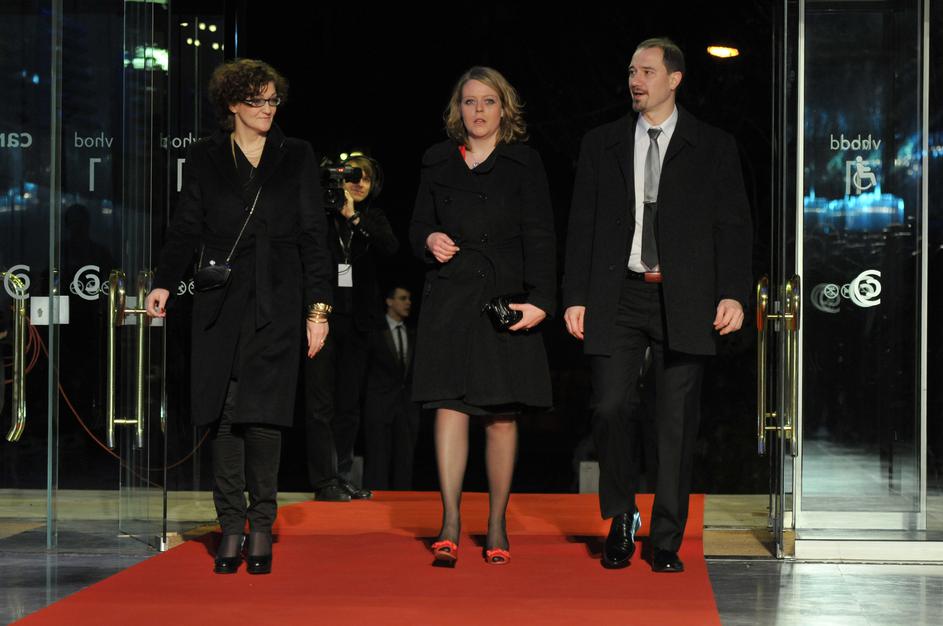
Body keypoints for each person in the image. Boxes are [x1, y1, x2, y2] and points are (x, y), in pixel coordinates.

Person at [563, 37, 752, 573]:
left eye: (647, 71)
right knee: (609, 407)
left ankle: (666, 537)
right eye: (631, 71)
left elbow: (734, 226)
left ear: (675, 79)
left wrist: (733, 292)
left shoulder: (712, 145)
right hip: (618, 292)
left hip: (685, 296)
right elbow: (581, 226)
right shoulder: (602, 142)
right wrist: (575, 296)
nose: (635, 80)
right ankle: (622, 516)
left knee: (675, 422)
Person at [144, 58, 333, 576]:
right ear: (232, 104)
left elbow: (315, 236)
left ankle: (262, 524)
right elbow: (186, 225)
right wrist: (163, 281)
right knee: (224, 413)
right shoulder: (206, 156)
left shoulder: (296, 154)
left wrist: (318, 309)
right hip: (219, 299)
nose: (268, 109)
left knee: (264, 413)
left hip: (278, 297)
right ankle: (230, 524)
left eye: (273, 100)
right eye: (257, 100)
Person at [410, 66, 556, 565]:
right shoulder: (436, 160)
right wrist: (429, 239)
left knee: (500, 414)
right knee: (448, 407)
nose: (478, 110)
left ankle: (496, 522)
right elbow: (417, 225)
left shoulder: (524, 163)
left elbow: (541, 235)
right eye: (470, 101)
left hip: (503, 298)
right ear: (458, 109)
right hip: (449, 299)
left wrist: (542, 299)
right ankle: (450, 520)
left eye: (488, 101)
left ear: (504, 109)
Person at [304, 152, 398, 502]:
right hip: (323, 318)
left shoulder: (372, 218)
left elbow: (390, 247)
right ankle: (323, 479)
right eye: (352, 176)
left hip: (358, 322)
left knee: (348, 405)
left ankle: (342, 476)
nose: (358, 183)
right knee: (320, 404)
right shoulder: (321, 216)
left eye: (366, 178)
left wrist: (354, 216)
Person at [362, 285, 419, 490]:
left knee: (405, 458)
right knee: (378, 458)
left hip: (406, 406)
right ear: (389, 301)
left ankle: (403, 499)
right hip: (379, 403)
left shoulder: (413, 333)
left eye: (409, 298)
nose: (408, 303)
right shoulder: (374, 332)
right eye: (403, 298)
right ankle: (376, 499)